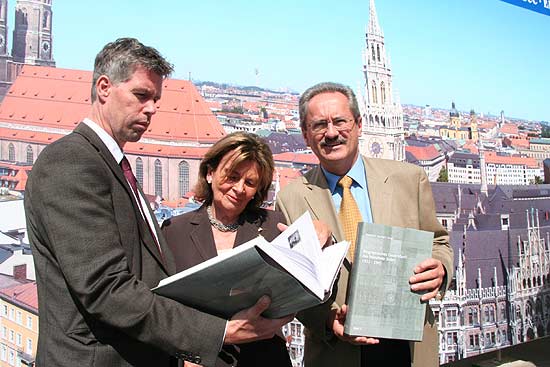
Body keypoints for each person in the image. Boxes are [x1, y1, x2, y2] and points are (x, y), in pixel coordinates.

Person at [24, 38, 292, 367]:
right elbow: (106, 289)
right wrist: (217, 332)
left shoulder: (109, 163)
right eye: (141, 95)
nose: (152, 108)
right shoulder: (71, 163)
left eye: (156, 99)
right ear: (104, 88)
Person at [275, 82, 454, 367]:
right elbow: (287, 283)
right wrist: (327, 319)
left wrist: (441, 269)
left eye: (340, 121)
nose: (331, 133)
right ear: (306, 136)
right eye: (319, 125)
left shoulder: (409, 179)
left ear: (359, 124)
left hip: (407, 346)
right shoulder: (290, 198)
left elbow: (439, 243)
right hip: (337, 351)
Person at [162, 132, 292, 367]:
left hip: (263, 358)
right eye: (232, 177)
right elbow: (162, 310)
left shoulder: (274, 226)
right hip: (199, 361)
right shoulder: (174, 231)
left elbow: (311, 286)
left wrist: (322, 240)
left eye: (250, 183)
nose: (239, 188)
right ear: (210, 173)